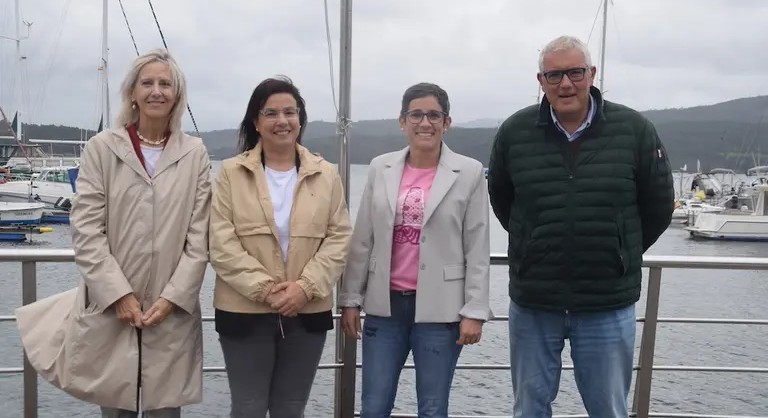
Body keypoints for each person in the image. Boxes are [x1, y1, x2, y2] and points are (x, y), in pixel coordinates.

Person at [15, 48, 212, 418]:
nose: (157, 91)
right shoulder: (102, 148)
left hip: (171, 312)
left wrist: (172, 298)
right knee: (115, 409)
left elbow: (199, 238)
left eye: (165, 83)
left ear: (177, 94)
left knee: (166, 411)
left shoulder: (195, 153)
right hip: (111, 309)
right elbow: (87, 227)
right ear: (132, 93)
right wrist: (118, 294)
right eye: (147, 82)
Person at [487, 35, 675, 417]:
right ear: (540, 81)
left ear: (591, 74)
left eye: (574, 72)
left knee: (608, 409)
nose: (566, 84)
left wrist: (620, 251)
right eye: (554, 75)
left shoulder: (635, 130)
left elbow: (658, 206)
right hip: (535, 300)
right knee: (529, 408)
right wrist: (533, 245)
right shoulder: (514, 132)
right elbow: (503, 201)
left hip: (607, 301)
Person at [339, 82, 492, 418]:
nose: (425, 122)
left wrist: (474, 310)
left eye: (434, 115)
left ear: (447, 122)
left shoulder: (468, 171)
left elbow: (478, 244)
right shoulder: (381, 167)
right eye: (416, 114)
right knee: (374, 405)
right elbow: (363, 237)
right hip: (385, 307)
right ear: (402, 121)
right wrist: (350, 299)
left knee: (433, 407)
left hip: (441, 312)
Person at [209, 76, 352, 417]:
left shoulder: (327, 174)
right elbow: (220, 241)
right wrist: (266, 290)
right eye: (270, 113)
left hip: (307, 309)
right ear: (256, 122)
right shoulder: (230, 173)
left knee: (291, 407)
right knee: (248, 407)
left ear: (300, 119)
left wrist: (304, 288)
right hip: (243, 308)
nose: (282, 121)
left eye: (290, 111)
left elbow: (339, 237)